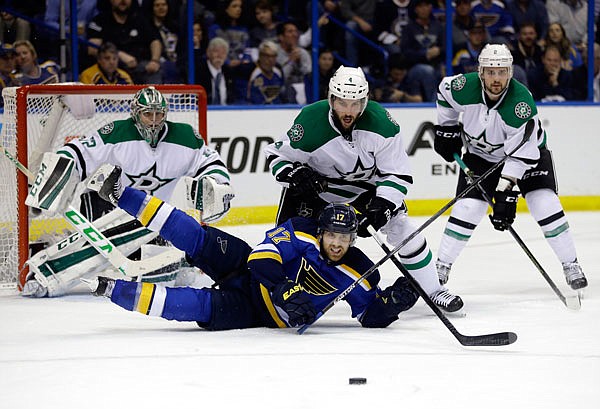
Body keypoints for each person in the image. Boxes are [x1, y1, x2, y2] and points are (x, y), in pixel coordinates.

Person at [84, 168, 420, 330]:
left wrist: (394, 304)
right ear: (321, 231)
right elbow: (261, 258)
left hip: (257, 312)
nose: (336, 243)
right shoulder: (301, 232)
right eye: (331, 235)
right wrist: (282, 286)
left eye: (343, 238)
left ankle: (112, 290)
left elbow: (369, 316)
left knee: (196, 307)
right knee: (199, 237)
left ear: (352, 240)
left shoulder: (358, 270)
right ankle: (122, 194)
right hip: (247, 268)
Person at [263, 65, 464, 313]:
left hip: (364, 190)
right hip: (315, 191)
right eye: (343, 103)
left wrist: (383, 206)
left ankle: (434, 291)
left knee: (403, 229)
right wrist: (297, 174)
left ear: (365, 101)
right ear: (331, 99)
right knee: (285, 240)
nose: (349, 111)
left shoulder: (382, 124)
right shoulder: (310, 121)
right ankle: (280, 292)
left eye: (356, 104)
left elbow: (397, 173)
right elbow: (275, 156)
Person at [22, 86, 234, 298]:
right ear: (135, 114)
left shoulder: (185, 137)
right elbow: (78, 151)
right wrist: (58, 171)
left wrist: (213, 181)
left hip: (150, 216)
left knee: (162, 275)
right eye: (147, 114)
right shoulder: (116, 132)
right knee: (105, 251)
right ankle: (45, 276)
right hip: (105, 201)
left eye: (158, 114)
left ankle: (60, 243)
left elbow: (211, 161)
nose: (153, 120)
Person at [433, 43, 587, 292]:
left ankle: (571, 264)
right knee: (468, 207)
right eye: (491, 72)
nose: (497, 79)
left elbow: (521, 155)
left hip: (527, 157)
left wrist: (505, 191)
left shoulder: (520, 103)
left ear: (510, 73)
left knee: (543, 203)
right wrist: (446, 127)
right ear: (481, 72)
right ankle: (441, 266)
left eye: (502, 72)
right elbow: (443, 92)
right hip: (480, 156)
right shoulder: (463, 86)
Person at [87, 0, 162, 84]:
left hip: (140, 65)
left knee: (156, 69)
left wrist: (154, 61)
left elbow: (155, 41)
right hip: (113, 66)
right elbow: (92, 49)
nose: (123, 1)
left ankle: (152, 96)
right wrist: (118, 55)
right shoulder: (100, 20)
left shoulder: (140, 19)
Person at [276, 21, 311, 105]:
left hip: (303, 89)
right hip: (282, 90)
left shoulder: (303, 53)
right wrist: (291, 62)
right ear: (281, 37)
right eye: (290, 32)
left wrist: (300, 61)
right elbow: (279, 78)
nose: (295, 34)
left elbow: (309, 75)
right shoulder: (275, 53)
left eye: (296, 31)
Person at [196, 37, 235, 105]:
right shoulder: (198, 71)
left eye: (223, 52)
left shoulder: (229, 72)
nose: (219, 56)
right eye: (216, 51)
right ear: (208, 52)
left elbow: (233, 99)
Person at [246, 40, 284, 104]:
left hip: (277, 109)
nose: (270, 60)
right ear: (260, 56)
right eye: (267, 56)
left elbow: (282, 94)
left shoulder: (278, 72)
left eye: (273, 56)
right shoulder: (250, 72)